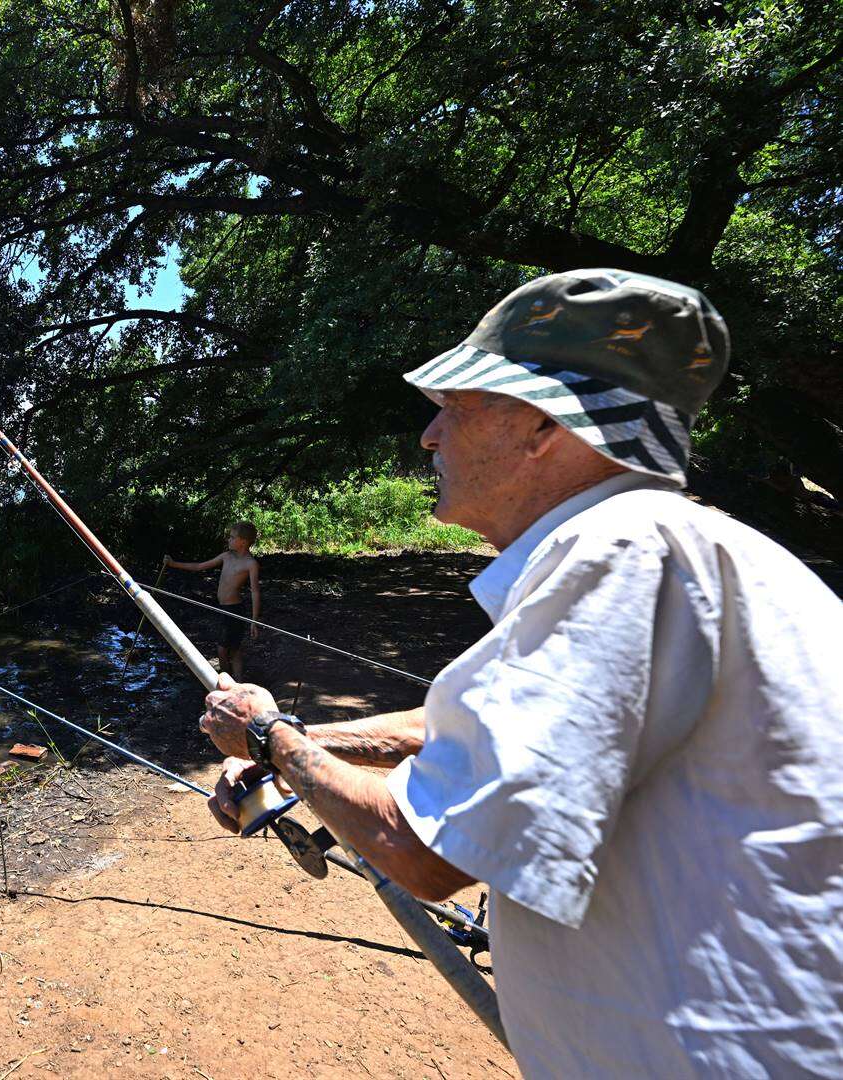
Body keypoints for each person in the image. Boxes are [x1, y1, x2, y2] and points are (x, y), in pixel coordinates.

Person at [196, 269, 843, 1076]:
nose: (430, 437)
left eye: (455, 407)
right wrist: (308, 742)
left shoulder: (621, 551)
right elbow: (498, 732)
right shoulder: (673, 545)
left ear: (543, 424)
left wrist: (269, 734)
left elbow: (422, 853)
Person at [164, 521, 260, 680]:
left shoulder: (251, 564)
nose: (228, 540)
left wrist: (254, 621)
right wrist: (173, 564)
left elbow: (255, 592)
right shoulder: (226, 556)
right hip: (222, 608)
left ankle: (230, 681)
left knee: (226, 649)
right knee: (230, 648)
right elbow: (199, 566)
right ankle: (231, 681)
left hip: (235, 610)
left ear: (243, 541)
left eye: (232, 537)